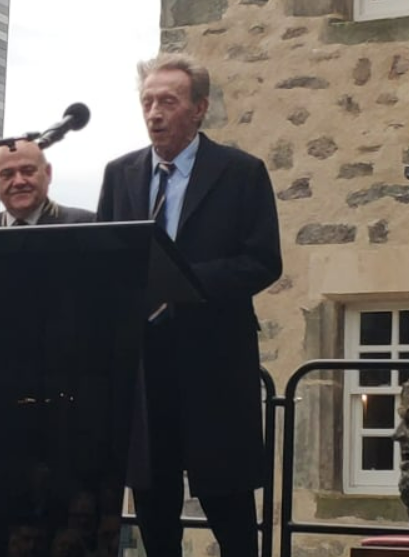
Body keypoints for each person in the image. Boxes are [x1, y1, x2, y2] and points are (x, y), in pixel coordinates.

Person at [96, 52, 282, 557]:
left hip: (213, 366)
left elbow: (263, 262)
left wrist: (180, 282)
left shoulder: (241, 173)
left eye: (168, 102)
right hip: (144, 369)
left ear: (199, 109)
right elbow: (104, 264)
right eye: (147, 102)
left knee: (231, 515)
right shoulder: (121, 175)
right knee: (155, 516)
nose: (154, 113)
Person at [0, 140, 94, 556]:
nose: (19, 180)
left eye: (28, 170)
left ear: (48, 174)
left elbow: (101, 310)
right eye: (7, 174)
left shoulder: (85, 227)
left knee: (64, 534)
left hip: (65, 413)